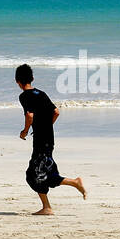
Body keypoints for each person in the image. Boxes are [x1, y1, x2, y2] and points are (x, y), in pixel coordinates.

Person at [16, 63, 86, 215]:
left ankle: (72, 184)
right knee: (39, 173)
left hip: (41, 140)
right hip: (48, 138)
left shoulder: (23, 96)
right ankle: (48, 206)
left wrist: (25, 131)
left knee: (35, 175)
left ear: (18, 82)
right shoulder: (41, 93)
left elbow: (29, 116)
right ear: (32, 78)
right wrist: (46, 127)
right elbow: (56, 112)